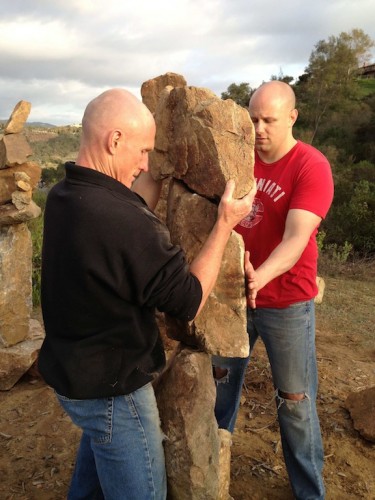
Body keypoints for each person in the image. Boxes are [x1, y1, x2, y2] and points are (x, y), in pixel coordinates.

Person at [38, 88, 255, 500]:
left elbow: (127, 213)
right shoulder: (123, 223)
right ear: (114, 140)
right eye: (141, 152)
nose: (144, 164)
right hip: (111, 390)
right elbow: (188, 299)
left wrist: (159, 175)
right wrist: (224, 223)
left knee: (97, 460)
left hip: (72, 372)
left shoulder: (67, 195)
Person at [213, 81, 334, 500]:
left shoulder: (310, 166)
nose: (259, 129)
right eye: (253, 120)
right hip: (231, 299)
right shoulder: (237, 161)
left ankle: (309, 492)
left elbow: (295, 239)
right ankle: (210, 477)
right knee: (218, 387)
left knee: (295, 402)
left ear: (292, 117)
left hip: (286, 302)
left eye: (269, 120)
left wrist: (257, 278)